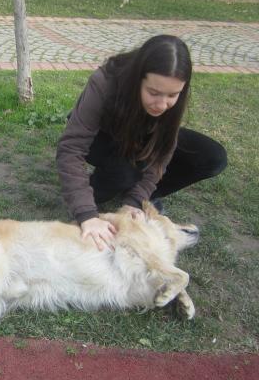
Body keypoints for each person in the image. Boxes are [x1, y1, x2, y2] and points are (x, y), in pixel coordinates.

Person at [56, 34, 227, 251]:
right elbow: (71, 149)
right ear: (138, 78)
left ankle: (139, 196)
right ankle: (99, 187)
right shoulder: (106, 81)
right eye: (154, 93)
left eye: (173, 95)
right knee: (125, 172)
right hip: (103, 137)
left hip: (140, 137)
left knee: (212, 157)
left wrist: (137, 200)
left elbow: (165, 148)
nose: (162, 104)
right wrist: (86, 214)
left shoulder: (168, 101)